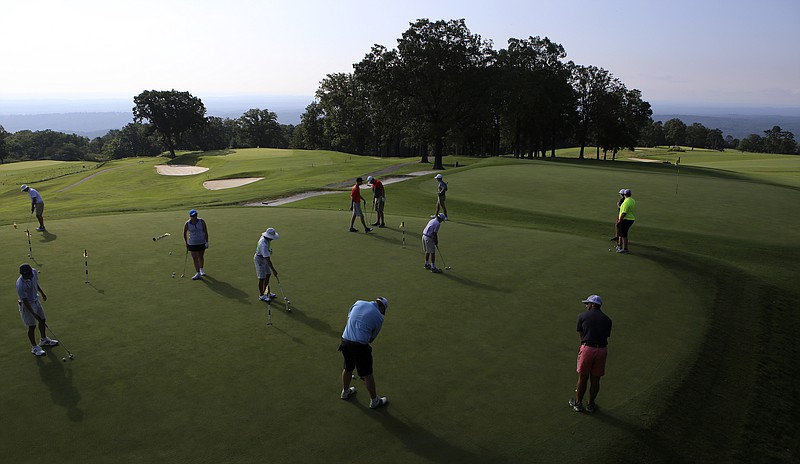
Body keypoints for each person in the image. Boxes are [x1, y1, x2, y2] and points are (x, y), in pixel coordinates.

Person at [338, 297, 389, 409]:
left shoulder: (358, 302)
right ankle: (374, 401)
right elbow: (371, 338)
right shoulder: (379, 318)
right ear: (381, 307)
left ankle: (345, 392)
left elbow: (348, 318)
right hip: (359, 345)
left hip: (345, 341)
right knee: (367, 374)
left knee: (348, 368)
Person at [569, 294, 612, 413]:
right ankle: (590, 405)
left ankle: (578, 404)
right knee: (596, 379)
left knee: (583, 378)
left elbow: (581, 334)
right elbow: (606, 335)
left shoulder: (582, 316)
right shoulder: (607, 320)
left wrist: (584, 345)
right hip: (602, 350)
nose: (586, 306)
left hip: (588, 349)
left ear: (592, 305)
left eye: (587, 304)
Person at [16, 263, 58, 357]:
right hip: (27, 305)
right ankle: (34, 347)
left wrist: (42, 293)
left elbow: (35, 283)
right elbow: (25, 301)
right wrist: (33, 314)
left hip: (36, 300)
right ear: (22, 274)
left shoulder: (34, 272)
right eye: (26, 275)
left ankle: (44, 340)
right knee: (32, 326)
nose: (29, 277)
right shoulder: (20, 285)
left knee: (42, 320)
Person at [254, 227, 279, 302]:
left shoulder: (266, 239)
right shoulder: (263, 244)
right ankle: (262, 295)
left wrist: (269, 250)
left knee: (268, 274)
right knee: (262, 278)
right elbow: (268, 260)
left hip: (263, 257)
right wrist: (274, 270)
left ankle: (266, 292)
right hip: (260, 259)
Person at [183, 209, 209, 280]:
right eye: (193, 215)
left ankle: (201, 269)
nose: (195, 217)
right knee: (194, 257)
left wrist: (207, 242)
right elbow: (184, 233)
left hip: (201, 242)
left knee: (200, 256)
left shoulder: (201, 221)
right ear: (190, 216)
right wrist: (186, 243)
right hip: (192, 243)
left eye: (195, 215)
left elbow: (205, 231)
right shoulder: (187, 224)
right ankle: (198, 273)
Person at [616, 189, 636, 254]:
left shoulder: (626, 202)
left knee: (624, 234)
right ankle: (620, 245)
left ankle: (625, 249)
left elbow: (623, 213)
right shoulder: (632, 200)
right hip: (631, 219)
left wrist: (619, 221)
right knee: (623, 233)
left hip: (626, 220)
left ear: (624, 195)